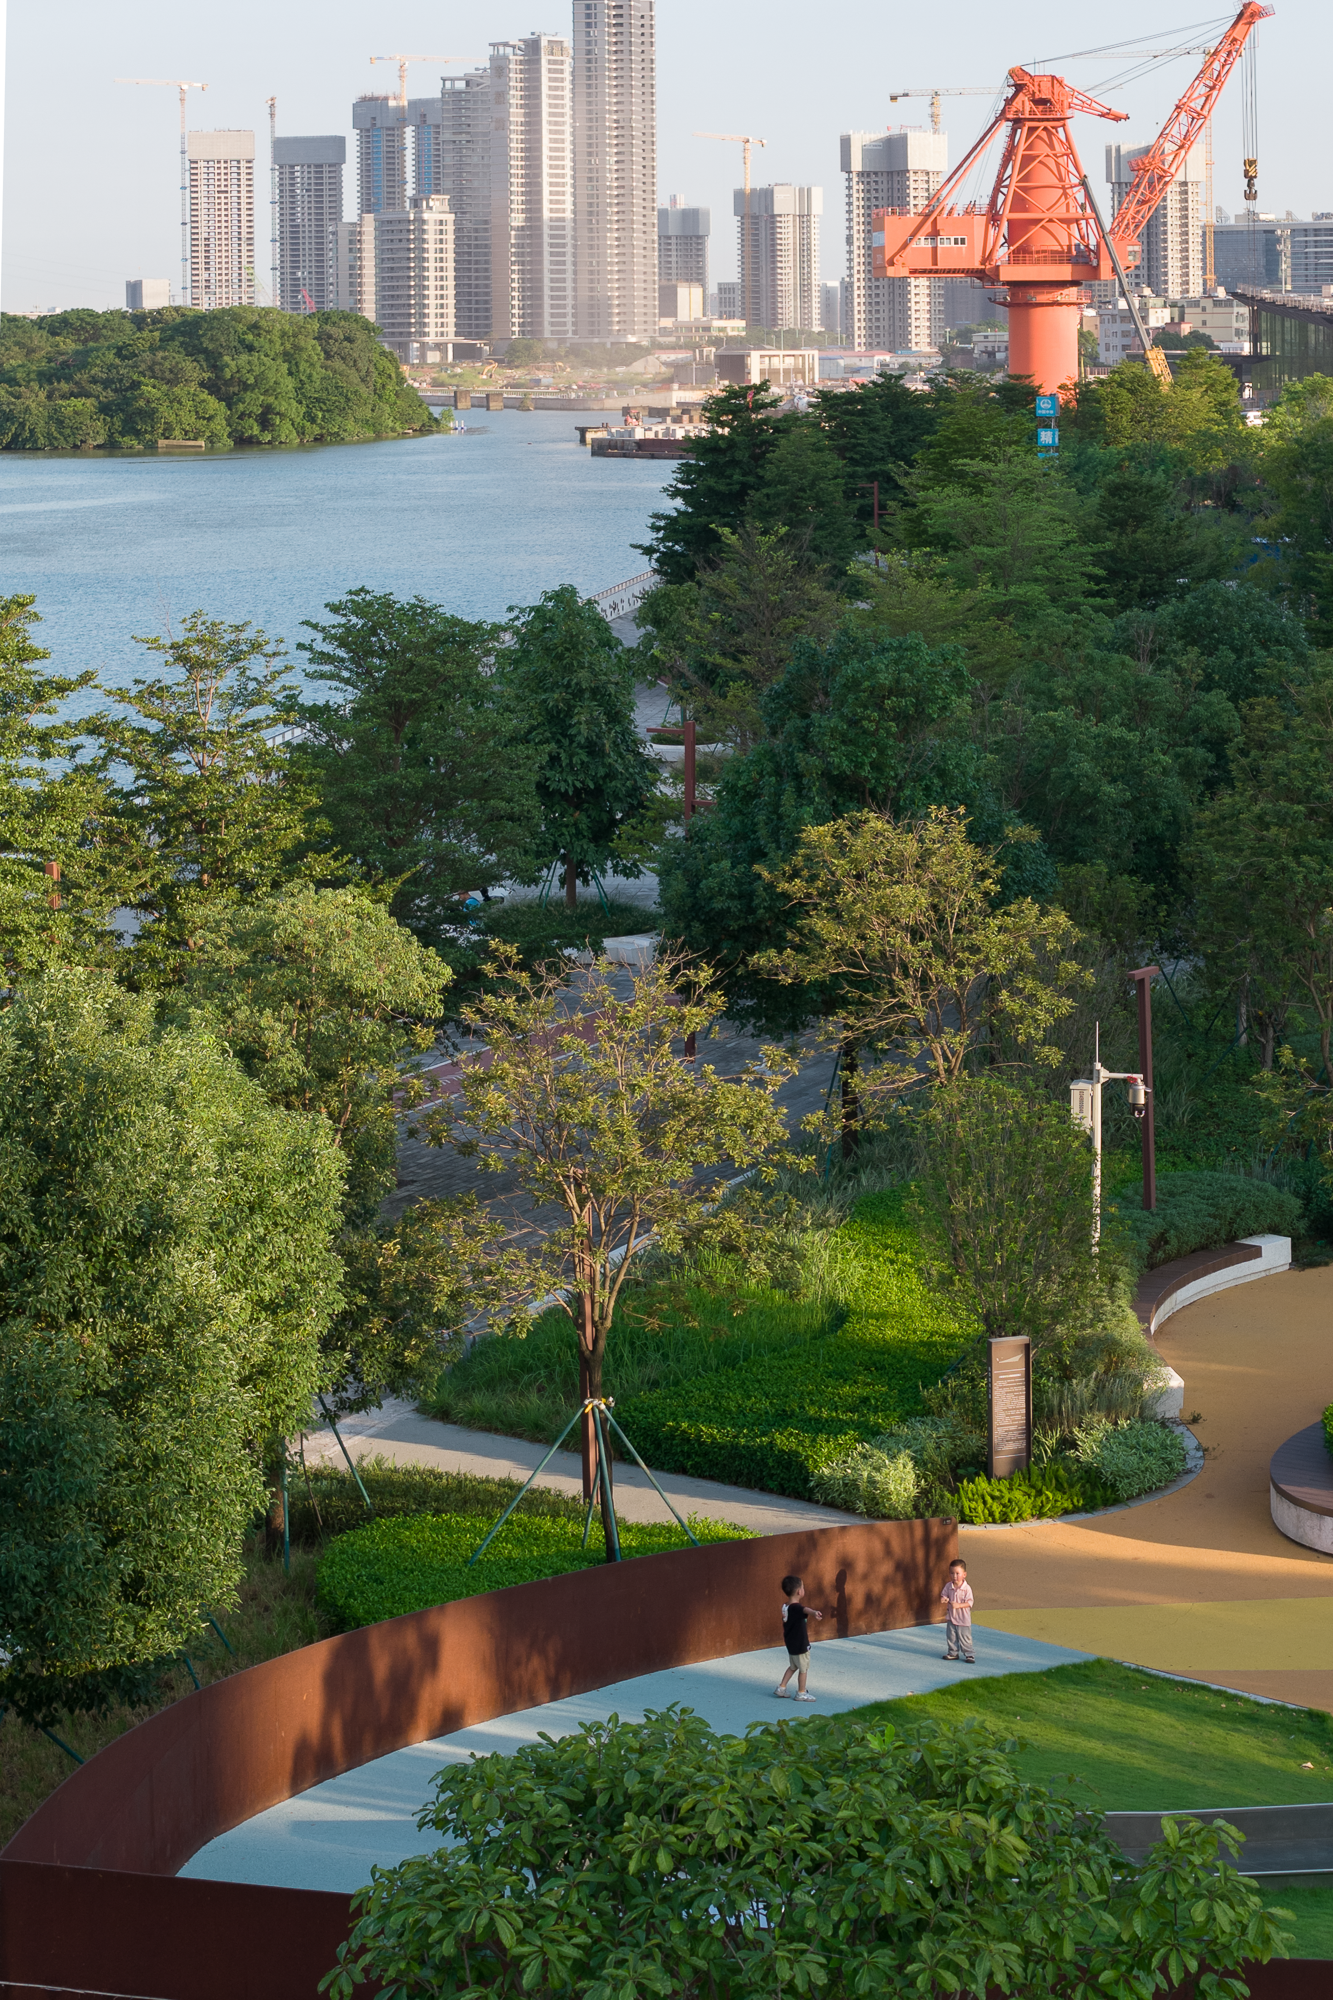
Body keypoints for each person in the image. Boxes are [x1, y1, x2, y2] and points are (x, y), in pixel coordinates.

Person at [774, 1573, 823, 1701]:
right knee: (803, 1669)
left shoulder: (786, 1607)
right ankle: (801, 1692)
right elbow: (805, 1610)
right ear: (799, 1592)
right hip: (800, 1645)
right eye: (803, 1587)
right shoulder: (797, 1607)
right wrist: (814, 1613)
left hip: (791, 1644)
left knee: (793, 1666)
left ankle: (781, 1687)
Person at [940, 1558, 975, 1662]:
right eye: (952, 1573)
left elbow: (969, 1603)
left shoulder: (966, 1589)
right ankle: (953, 1653)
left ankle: (969, 1654)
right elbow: (943, 1595)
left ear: (964, 1574)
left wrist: (959, 1605)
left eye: (957, 1573)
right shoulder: (948, 1586)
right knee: (951, 1636)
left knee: (965, 1637)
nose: (954, 1576)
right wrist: (943, 1599)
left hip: (963, 1619)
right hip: (952, 1617)